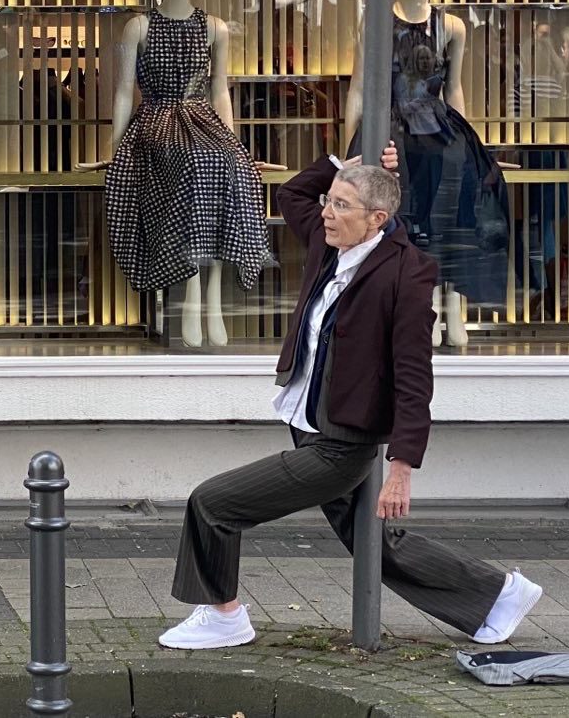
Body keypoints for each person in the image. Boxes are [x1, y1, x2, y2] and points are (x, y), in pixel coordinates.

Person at [158, 147, 543, 651]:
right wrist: (341, 165)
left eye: (341, 205)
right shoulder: (327, 241)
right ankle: (500, 596)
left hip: (341, 445)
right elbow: (290, 193)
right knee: (374, 543)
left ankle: (223, 614)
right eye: (330, 202)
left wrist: (402, 467)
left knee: (213, 504)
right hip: (309, 423)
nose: (326, 212)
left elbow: (413, 377)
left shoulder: (407, 273)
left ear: (376, 219)